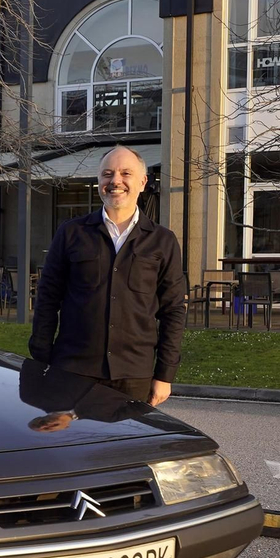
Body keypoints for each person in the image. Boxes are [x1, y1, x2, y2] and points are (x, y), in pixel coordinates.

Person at [28, 145, 186, 407]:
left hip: (135, 375)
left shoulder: (163, 241)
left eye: (126, 173)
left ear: (143, 182)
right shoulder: (71, 233)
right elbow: (47, 299)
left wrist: (165, 374)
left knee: (126, 449)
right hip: (72, 371)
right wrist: (41, 361)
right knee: (71, 447)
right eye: (107, 174)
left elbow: (173, 310)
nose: (116, 181)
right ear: (98, 180)